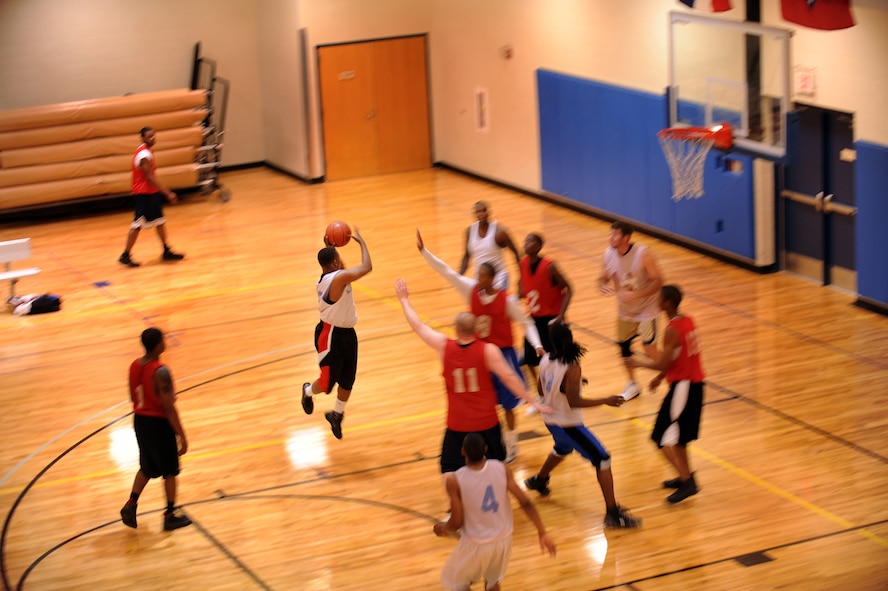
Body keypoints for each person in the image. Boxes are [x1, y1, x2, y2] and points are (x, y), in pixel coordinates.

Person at [395, 278, 546, 479]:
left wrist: (404, 300)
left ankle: (454, 509)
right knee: (498, 468)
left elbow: (418, 326)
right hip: (487, 422)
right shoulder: (488, 351)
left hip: (458, 424)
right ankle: (498, 501)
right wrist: (533, 400)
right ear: (476, 329)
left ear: (456, 330)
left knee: (449, 469)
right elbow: (510, 377)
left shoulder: (444, 347)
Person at [417, 230, 543, 463]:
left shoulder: (507, 301)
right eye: (478, 275)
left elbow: (527, 323)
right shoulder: (471, 290)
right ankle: (485, 442)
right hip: (481, 354)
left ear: (491, 279)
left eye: (482, 276)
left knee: (507, 406)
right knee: (484, 402)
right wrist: (425, 252)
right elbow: (447, 272)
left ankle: (512, 444)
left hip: (503, 354)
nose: (478, 278)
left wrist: (537, 345)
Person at [523, 323, 641, 529]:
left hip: (549, 419)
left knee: (562, 448)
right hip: (567, 424)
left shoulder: (544, 359)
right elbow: (574, 402)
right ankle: (613, 513)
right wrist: (605, 399)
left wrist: (571, 383)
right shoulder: (572, 366)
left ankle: (539, 480)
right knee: (603, 459)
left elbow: (542, 390)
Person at [434, 432, 556, 591]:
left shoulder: (454, 479)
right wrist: (542, 532)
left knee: (455, 582)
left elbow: (456, 522)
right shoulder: (502, 468)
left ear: (462, 451)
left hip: (476, 543)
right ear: (485, 449)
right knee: (493, 582)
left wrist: (442, 528)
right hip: (503, 540)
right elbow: (526, 503)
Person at [627, 284, 704, 504]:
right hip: (691, 384)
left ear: (667, 303)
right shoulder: (687, 320)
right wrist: (661, 377)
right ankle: (685, 477)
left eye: (659, 298)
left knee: (659, 436)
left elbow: (663, 360)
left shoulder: (672, 329)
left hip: (685, 387)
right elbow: (678, 358)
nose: (656, 301)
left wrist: (639, 362)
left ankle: (688, 481)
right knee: (680, 439)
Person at [301, 228, 372, 439]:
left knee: (348, 381)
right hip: (330, 335)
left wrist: (331, 246)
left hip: (348, 334)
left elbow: (345, 271)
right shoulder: (336, 279)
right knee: (326, 385)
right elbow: (367, 267)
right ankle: (306, 391)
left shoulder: (332, 278)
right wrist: (362, 243)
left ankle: (336, 414)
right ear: (334, 263)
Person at [120, 327, 192, 531]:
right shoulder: (161, 371)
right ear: (158, 344)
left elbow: (133, 397)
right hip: (158, 424)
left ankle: (131, 503)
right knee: (170, 470)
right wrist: (182, 436)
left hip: (140, 421)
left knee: (147, 466)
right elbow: (169, 407)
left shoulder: (134, 365)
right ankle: (170, 515)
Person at [598, 220, 663, 401]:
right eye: (610, 233)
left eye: (615, 234)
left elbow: (659, 281)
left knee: (650, 349)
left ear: (626, 237)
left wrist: (638, 295)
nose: (611, 237)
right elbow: (602, 278)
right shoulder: (608, 254)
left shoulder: (643, 253)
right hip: (625, 311)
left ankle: (673, 373)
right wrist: (602, 285)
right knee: (624, 347)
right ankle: (633, 384)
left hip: (646, 310)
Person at [518, 232, 572, 407]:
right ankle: (541, 393)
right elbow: (522, 288)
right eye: (526, 240)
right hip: (533, 319)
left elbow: (569, 289)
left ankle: (563, 390)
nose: (526, 243)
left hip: (551, 321)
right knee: (529, 359)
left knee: (556, 360)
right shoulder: (523, 264)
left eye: (531, 241)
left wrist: (561, 315)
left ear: (539, 246)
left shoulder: (550, 266)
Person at [119, 127, 185, 267]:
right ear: (143, 138)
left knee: (160, 221)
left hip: (151, 193)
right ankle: (125, 255)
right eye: (149, 136)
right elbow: (149, 177)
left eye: (153, 136)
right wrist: (167, 192)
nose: (153, 138)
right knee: (137, 225)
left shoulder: (147, 151)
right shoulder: (143, 155)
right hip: (143, 195)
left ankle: (166, 250)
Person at [459, 201, 521, 292]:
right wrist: (459, 276)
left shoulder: (499, 232)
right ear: (474, 214)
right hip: (480, 279)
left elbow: (516, 252)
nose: (481, 214)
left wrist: (522, 276)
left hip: (499, 278)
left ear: (488, 213)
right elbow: (466, 256)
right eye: (478, 212)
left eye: (483, 211)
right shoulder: (469, 231)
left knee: (498, 305)